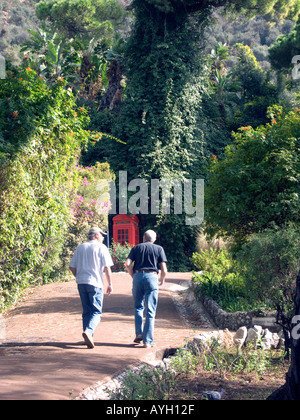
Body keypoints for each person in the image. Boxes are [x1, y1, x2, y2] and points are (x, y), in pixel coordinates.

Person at [69, 227, 113, 349]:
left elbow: (72, 267)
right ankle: (89, 331)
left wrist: (78, 276)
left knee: (86, 311)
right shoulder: (101, 247)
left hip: (81, 283)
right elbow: (107, 268)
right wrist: (110, 284)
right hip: (95, 283)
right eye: (102, 235)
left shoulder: (80, 247)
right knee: (96, 312)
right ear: (97, 235)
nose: (103, 238)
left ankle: (88, 337)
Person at [125, 230, 167, 348]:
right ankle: (147, 341)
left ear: (143, 238)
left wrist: (133, 275)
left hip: (138, 276)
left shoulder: (136, 248)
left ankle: (139, 333)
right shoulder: (159, 249)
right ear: (154, 239)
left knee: (138, 307)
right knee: (150, 310)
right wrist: (162, 280)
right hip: (152, 277)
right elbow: (164, 269)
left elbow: (127, 264)